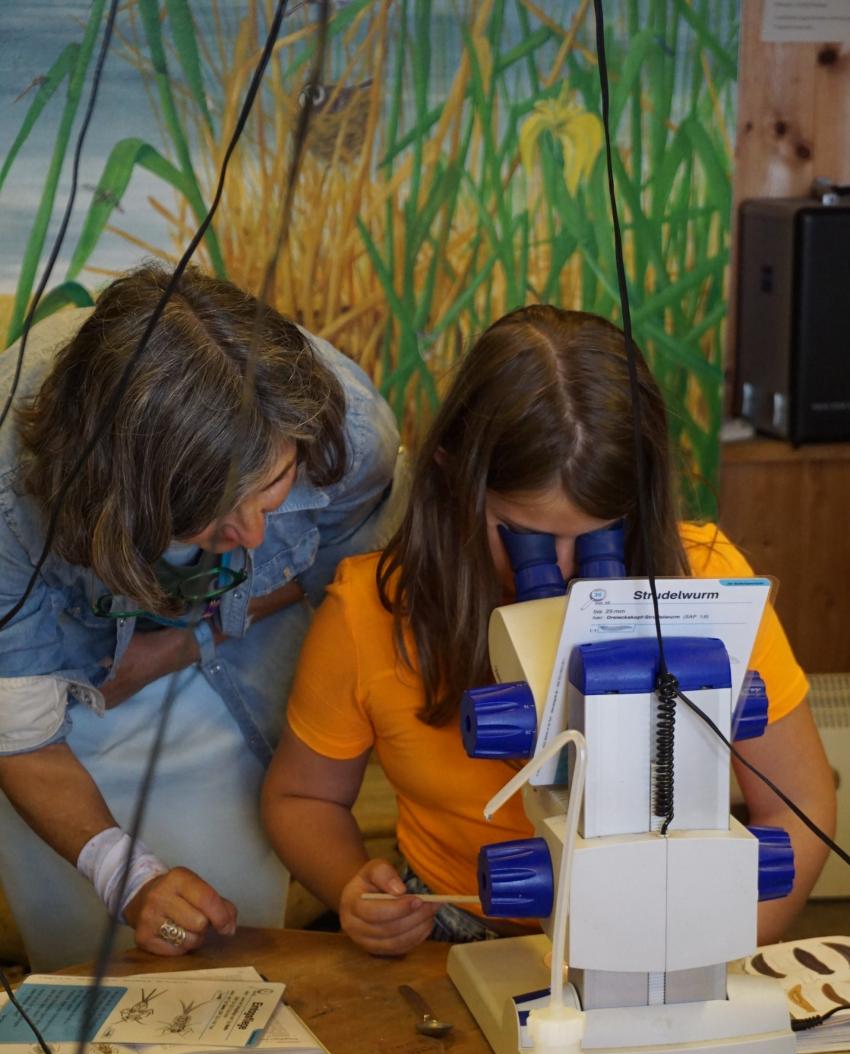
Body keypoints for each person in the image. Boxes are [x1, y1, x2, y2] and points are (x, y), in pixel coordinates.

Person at [262, 305, 836, 956]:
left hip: (659, 926)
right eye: (528, 536)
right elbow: (299, 795)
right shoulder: (373, 611)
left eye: (597, 540)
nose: (564, 572)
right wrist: (351, 888)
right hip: (455, 930)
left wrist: (717, 947)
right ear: (454, 477)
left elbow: (801, 803)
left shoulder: (704, 585)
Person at [0, 263, 403, 969]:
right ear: (114, 502)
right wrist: (129, 879)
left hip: (245, 657)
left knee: (242, 930)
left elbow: (344, 591)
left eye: (273, 486)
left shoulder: (352, 433)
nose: (252, 535)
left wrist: (178, 647)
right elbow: (21, 734)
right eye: (211, 518)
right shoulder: (10, 497)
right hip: (60, 691)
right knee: (83, 947)